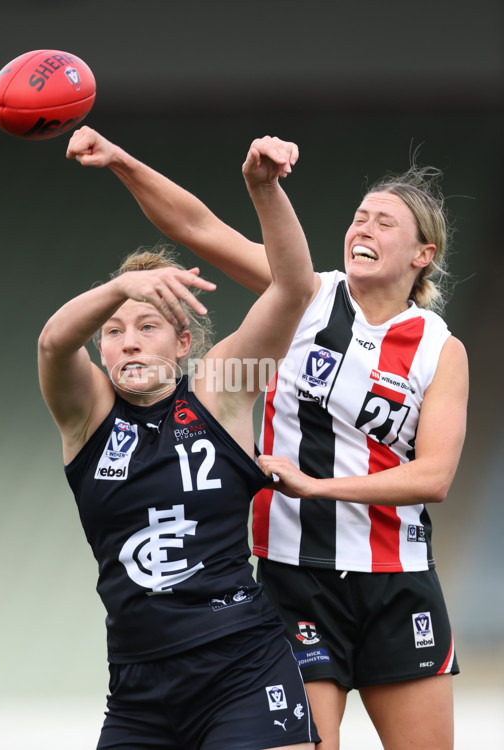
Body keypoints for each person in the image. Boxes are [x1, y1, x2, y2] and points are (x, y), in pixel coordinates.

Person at [66, 127, 469, 750]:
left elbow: (435, 476)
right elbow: (196, 227)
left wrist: (319, 485)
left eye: (385, 223)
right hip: (295, 574)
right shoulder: (311, 297)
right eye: (359, 217)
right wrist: (121, 159)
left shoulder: (441, 348)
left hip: (397, 575)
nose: (364, 228)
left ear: (423, 253)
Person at [38, 134, 321, 749]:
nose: (130, 342)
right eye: (114, 332)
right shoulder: (86, 412)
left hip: (241, 663)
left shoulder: (222, 388)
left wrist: (264, 189)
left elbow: (296, 290)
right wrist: (121, 290)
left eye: (147, 326)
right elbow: (54, 343)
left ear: (184, 344)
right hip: (138, 682)